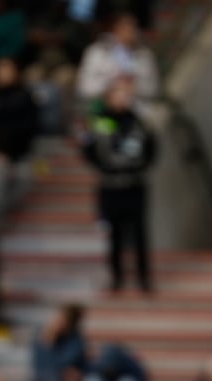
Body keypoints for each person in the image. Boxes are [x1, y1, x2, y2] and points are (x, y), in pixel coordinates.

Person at [81, 77, 155, 293]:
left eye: (126, 94)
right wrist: (102, 168)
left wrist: (140, 168)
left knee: (139, 232)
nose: (122, 98)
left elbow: (151, 147)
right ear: (108, 98)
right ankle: (117, 277)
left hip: (134, 184)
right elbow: (89, 147)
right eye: (117, 94)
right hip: (110, 185)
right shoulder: (100, 121)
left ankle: (144, 277)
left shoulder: (138, 121)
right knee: (113, 233)